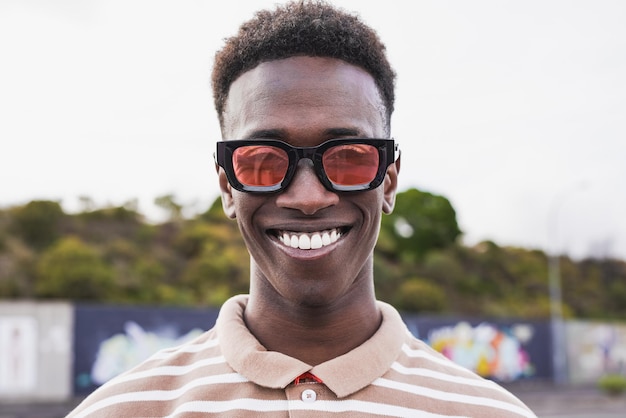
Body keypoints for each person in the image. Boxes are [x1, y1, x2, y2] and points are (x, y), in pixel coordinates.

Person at [67, 1, 536, 416]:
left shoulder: (490, 413)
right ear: (228, 188)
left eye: (350, 158)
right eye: (263, 161)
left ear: (388, 182)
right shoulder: (123, 410)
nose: (309, 197)